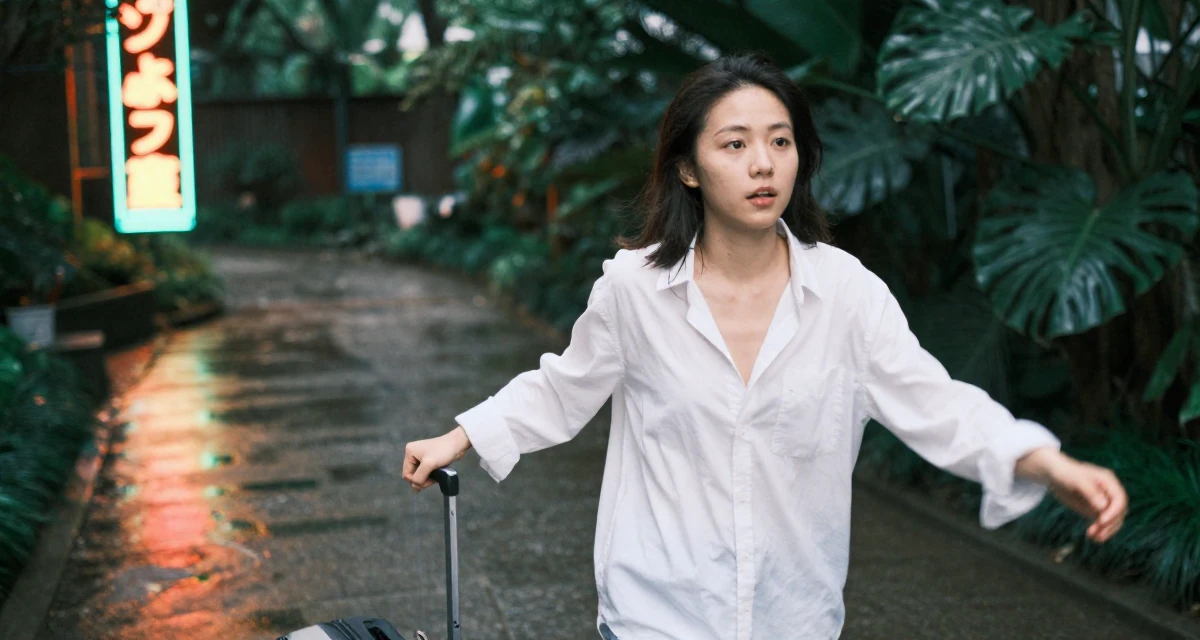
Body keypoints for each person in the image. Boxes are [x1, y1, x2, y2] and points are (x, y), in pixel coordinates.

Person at [402, 52, 1128, 640]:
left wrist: (1042, 462)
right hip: (657, 611)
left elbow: (935, 403)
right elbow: (563, 386)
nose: (763, 164)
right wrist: (462, 435)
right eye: (736, 144)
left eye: (781, 141)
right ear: (688, 168)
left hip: (795, 614)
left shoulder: (845, 293)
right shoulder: (634, 290)